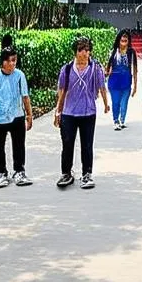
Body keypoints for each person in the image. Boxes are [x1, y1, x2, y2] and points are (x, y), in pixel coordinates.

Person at [54, 36, 109, 190]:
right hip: (69, 113)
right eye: (81, 50)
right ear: (76, 52)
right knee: (67, 143)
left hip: (88, 112)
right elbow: (62, 91)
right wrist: (58, 111)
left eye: (87, 50)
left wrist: (106, 104)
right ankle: (66, 173)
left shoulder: (95, 68)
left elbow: (101, 87)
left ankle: (87, 174)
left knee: (87, 144)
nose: (85, 53)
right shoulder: (66, 69)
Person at [0, 37, 33, 187]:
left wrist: (29, 115)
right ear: (3, 62)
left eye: (14, 60)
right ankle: (1, 173)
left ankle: (19, 171)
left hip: (17, 115)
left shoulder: (19, 75)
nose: (12, 63)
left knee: (19, 145)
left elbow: (25, 96)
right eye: (9, 60)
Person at [105, 29, 137, 130]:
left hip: (126, 82)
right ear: (118, 40)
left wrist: (135, 86)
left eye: (125, 40)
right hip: (114, 82)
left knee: (124, 104)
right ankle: (116, 121)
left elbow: (135, 70)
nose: (123, 41)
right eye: (122, 39)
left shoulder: (131, 53)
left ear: (128, 41)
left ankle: (122, 120)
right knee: (116, 103)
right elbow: (108, 67)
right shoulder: (113, 52)